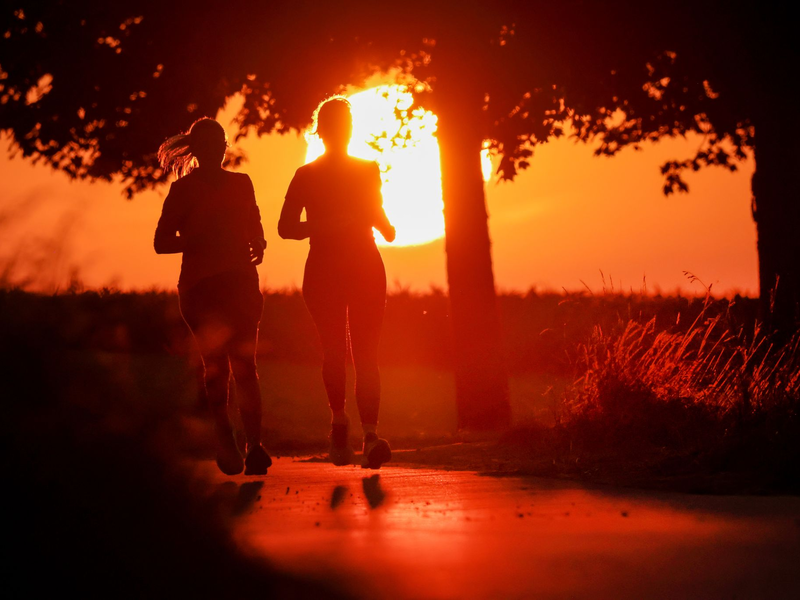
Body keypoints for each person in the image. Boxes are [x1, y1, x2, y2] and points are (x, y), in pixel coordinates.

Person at [279, 98, 396, 469]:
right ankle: (347, 426)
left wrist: (384, 225)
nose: (343, 131)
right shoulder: (307, 174)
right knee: (345, 352)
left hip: (355, 265)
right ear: (327, 130)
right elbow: (285, 228)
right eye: (339, 124)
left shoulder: (364, 169)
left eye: (346, 124)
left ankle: (361, 433)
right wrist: (329, 225)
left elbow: (376, 210)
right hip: (335, 266)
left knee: (360, 354)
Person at [154, 117, 271, 476]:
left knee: (246, 367)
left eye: (217, 143)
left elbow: (255, 224)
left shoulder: (242, 183)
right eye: (204, 144)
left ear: (224, 146)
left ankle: (254, 446)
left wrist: (259, 243)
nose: (212, 150)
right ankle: (227, 441)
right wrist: (197, 240)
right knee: (217, 368)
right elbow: (161, 242)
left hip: (239, 283)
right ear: (195, 150)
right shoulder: (182, 191)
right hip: (200, 287)